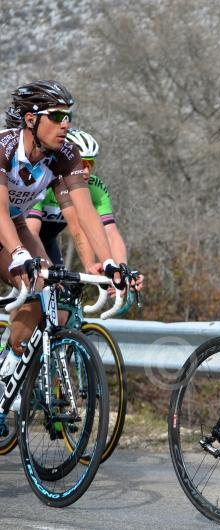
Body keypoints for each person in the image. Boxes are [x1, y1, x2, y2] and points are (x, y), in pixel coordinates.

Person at [0, 80, 124, 436]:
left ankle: (11, 363)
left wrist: (109, 262)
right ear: (30, 120)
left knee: (46, 284)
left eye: (68, 115)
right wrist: (20, 253)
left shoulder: (64, 154)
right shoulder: (5, 148)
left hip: (14, 222)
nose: (66, 122)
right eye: (56, 116)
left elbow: (85, 214)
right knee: (28, 272)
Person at [26, 128, 144, 291]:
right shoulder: (43, 181)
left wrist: (119, 270)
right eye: (81, 164)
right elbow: (30, 231)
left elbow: (109, 233)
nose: (86, 171)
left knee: (61, 302)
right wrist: (47, 267)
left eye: (90, 164)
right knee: (37, 291)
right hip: (21, 238)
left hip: (47, 241)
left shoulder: (95, 188)